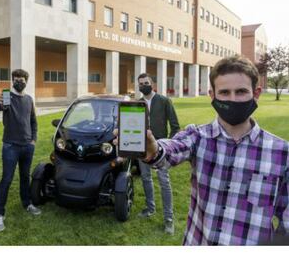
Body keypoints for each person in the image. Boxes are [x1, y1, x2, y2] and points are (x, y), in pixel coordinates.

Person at [115, 56, 289, 245]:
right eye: (224, 92)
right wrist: (154, 150)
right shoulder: (197, 136)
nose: (232, 99)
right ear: (212, 95)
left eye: (240, 92)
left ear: (256, 94)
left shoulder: (281, 153)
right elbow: (173, 148)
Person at [0, 69, 40, 232]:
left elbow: (33, 121)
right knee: (6, 179)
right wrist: (0, 102)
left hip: (27, 146)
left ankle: (27, 203)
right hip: (10, 146)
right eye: (16, 79)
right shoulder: (7, 96)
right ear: (12, 81)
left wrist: (33, 139)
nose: (19, 82)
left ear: (26, 81)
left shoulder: (29, 99)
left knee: (25, 177)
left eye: (21, 80)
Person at [136, 73, 180, 235]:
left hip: (161, 149)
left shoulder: (164, 101)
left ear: (152, 83)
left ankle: (169, 219)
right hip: (142, 149)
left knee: (164, 182)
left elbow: (175, 126)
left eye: (146, 83)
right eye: (140, 84)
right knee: (146, 178)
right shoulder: (138, 103)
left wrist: (168, 146)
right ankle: (150, 208)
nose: (143, 86)